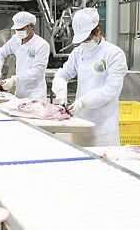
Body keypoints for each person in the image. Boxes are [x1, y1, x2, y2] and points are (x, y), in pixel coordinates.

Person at [51, 8, 127, 146]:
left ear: (97, 31)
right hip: (80, 123)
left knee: (102, 159)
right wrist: (60, 90)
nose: (84, 43)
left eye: (87, 39)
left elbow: (111, 89)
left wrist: (83, 102)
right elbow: (63, 73)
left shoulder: (114, 54)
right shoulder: (78, 52)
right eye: (82, 40)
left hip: (104, 127)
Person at [0, 11, 49, 101]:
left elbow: (36, 71)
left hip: (35, 94)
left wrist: (14, 80)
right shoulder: (16, 40)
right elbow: (0, 53)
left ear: (31, 26)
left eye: (21, 29)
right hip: (19, 92)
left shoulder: (41, 45)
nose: (18, 32)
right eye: (17, 29)